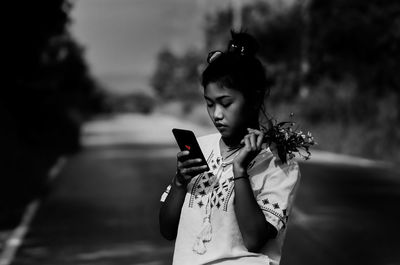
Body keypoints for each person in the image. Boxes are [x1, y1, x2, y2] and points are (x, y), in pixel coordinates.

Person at [159, 30, 301, 265]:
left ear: (254, 99)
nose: (216, 114)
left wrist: (240, 171)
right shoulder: (201, 148)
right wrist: (179, 183)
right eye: (209, 104)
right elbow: (166, 230)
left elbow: (254, 239)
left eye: (226, 103)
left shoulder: (278, 164)